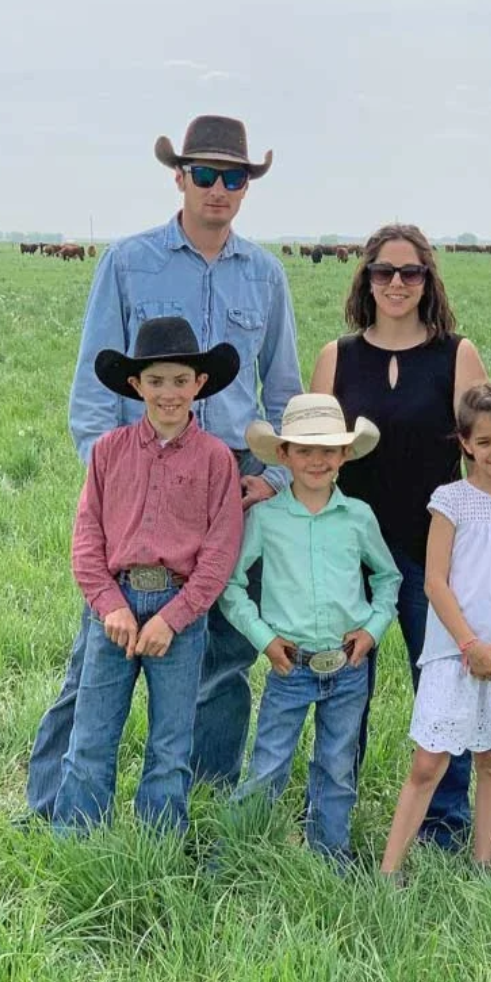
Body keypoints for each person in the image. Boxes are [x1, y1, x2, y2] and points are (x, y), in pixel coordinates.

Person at [26, 115, 303, 821]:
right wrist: (115, 476)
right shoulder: (129, 262)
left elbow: (283, 392)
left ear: (247, 186)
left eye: (232, 176)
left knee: (225, 647)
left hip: (233, 473)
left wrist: (273, 477)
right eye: (204, 174)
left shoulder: (265, 275)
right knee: (102, 640)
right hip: (138, 468)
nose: (218, 188)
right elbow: (94, 390)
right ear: (179, 178)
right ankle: (53, 805)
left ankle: (196, 801)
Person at [309, 223, 487, 849]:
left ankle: (446, 824)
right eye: (384, 271)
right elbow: (312, 458)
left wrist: (477, 545)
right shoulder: (336, 357)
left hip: (428, 551)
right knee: (341, 690)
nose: (397, 283)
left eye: (410, 272)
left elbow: (482, 456)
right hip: (348, 555)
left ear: (428, 281)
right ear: (366, 278)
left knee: (440, 687)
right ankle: (329, 824)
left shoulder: (457, 356)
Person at [52, 317, 244, 834]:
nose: (168, 393)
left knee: (171, 741)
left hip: (178, 613)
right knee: (92, 733)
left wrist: (174, 618)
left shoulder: (217, 461)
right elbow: (87, 538)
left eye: (180, 380)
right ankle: (77, 840)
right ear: (136, 385)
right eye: (156, 381)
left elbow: (219, 554)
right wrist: (109, 605)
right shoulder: (108, 452)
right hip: (114, 608)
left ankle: (158, 845)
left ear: (199, 384)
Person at [380, 384, 491, 876]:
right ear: (465, 443)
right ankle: (389, 872)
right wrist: (469, 643)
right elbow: (435, 581)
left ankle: (484, 865)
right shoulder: (451, 501)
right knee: (428, 763)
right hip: (454, 651)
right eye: (484, 442)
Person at [219, 394, 401, 861]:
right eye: (304, 450)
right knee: (269, 764)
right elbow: (232, 586)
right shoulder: (266, 518)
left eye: (328, 450)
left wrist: (373, 629)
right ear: (284, 455)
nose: (317, 460)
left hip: (348, 665)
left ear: (344, 454)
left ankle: (330, 857)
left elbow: (388, 577)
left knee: (337, 767)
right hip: (290, 665)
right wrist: (264, 639)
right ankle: (235, 855)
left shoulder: (358, 517)